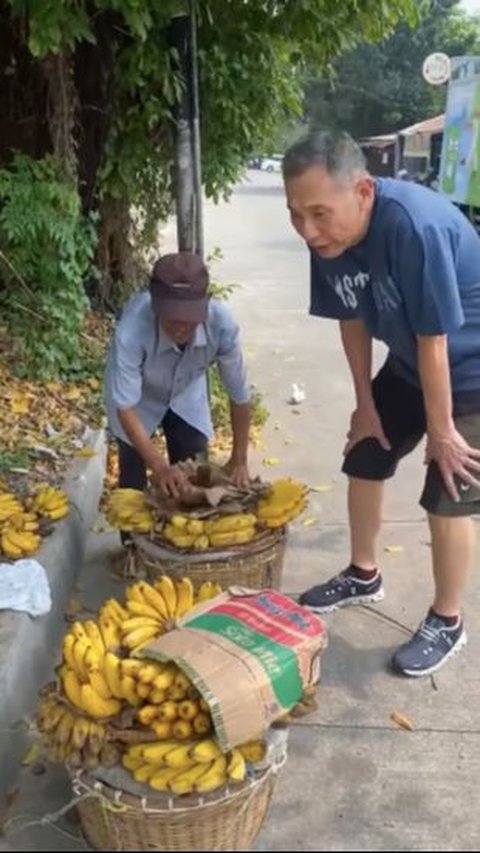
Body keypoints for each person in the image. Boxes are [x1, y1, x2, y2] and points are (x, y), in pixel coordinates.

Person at [282, 128, 480, 678]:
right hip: (409, 360)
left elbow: (435, 339)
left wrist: (441, 431)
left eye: (319, 213)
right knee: (366, 453)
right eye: (297, 214)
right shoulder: (329, 238)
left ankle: (448, 619)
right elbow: (351, 315)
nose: (308, 229)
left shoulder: (414, 227)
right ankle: (364, 573)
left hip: (470, 368)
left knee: (450, 488)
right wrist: (365, 404)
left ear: (364, 191)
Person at [105, 252, 251, 550]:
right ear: (155, 303)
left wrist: (239, 457)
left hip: (186, 392)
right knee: (133, 479)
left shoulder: (221, 325)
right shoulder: (132, 330)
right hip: (137, 403)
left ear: (205, 305)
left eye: (190, 318)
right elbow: (126, 408)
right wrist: (158, 466)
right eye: (173, 316)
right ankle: (132, 551)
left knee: (196, 474)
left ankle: (186, 549)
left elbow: (240, 394)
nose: (182, 326)